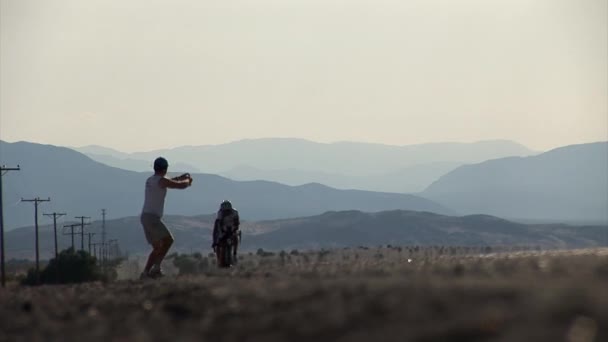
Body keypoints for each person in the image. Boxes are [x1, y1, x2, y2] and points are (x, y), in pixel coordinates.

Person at [140, 157, 193, 279]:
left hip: (146, 217)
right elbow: (179, 186)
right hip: (152, 218)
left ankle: (149, 272)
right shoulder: (161, 181)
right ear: (165, 168)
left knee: (157, 247)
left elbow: (168, 182)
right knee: (168, 240)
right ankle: (153, 269)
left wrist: (179, 178)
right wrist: (187, 181)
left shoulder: (151, 180)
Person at [212, 200, 240, 268]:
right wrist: (219, 236)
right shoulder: (220, 213)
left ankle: (234, 253)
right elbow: (218, 225)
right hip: (223, 230)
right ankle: (219, 260)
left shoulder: (235, 212)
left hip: (232, 229)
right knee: (218, 243)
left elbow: (237, 223)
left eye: (227, 211)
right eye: (225, 211)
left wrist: (234, 229)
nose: (226, 212)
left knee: (236, 237)